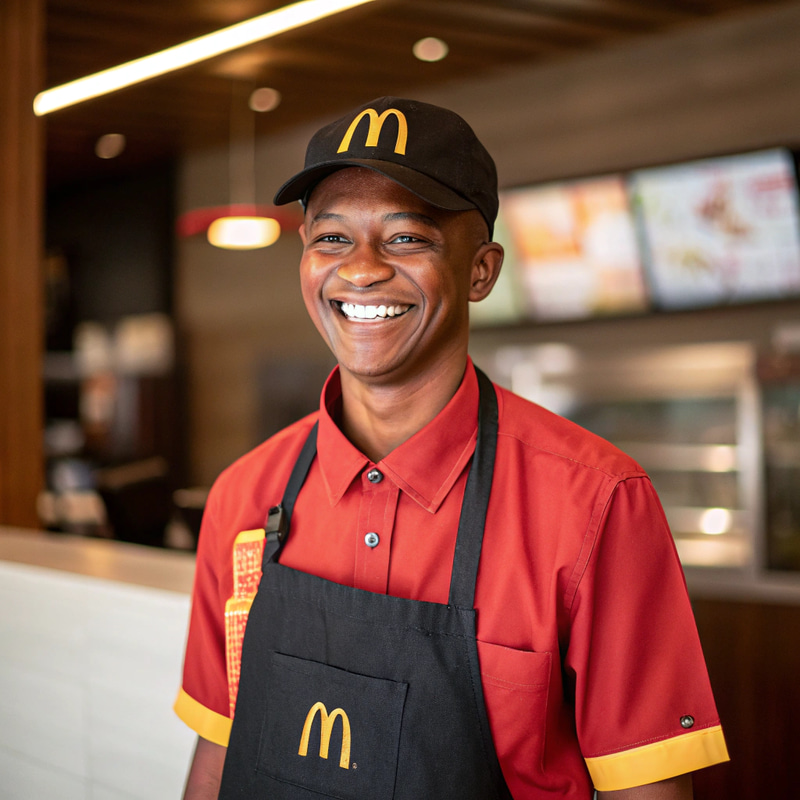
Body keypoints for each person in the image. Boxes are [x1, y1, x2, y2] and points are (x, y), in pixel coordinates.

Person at [174, 96, 729, 799]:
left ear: (481, 271)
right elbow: (219, 752)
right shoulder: (243, 497)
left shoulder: (596, 503)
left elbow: (645, 792)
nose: (362, 269)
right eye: (333, 238)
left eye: (407, 238)